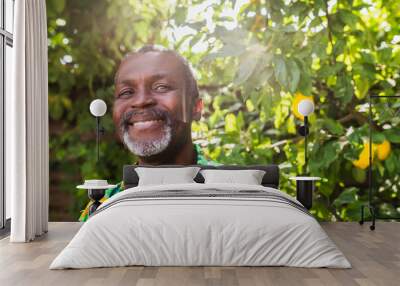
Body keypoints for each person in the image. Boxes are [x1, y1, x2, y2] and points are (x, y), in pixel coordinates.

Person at [79, 45, 218, 222]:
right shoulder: (101, 208)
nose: (141, 101)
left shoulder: (234, 194)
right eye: (127, 92)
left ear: (196, 108)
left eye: (161, 87)